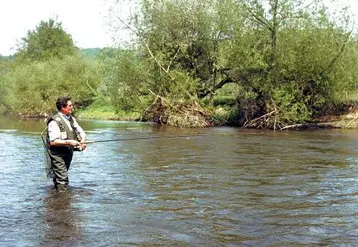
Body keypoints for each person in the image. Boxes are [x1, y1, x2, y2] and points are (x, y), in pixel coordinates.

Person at [46, 96, 87, 192]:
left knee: (59, 177)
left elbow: (81, 131)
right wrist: (70, 142)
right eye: (70, 105)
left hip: (68, 152)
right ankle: (63, 202)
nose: (72, 107)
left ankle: (54, 198)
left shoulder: (71, 118)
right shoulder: (54, 122)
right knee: (63, 179)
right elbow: (53, 141)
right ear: (63, 107)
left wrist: (83, 141)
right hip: (57, 155)